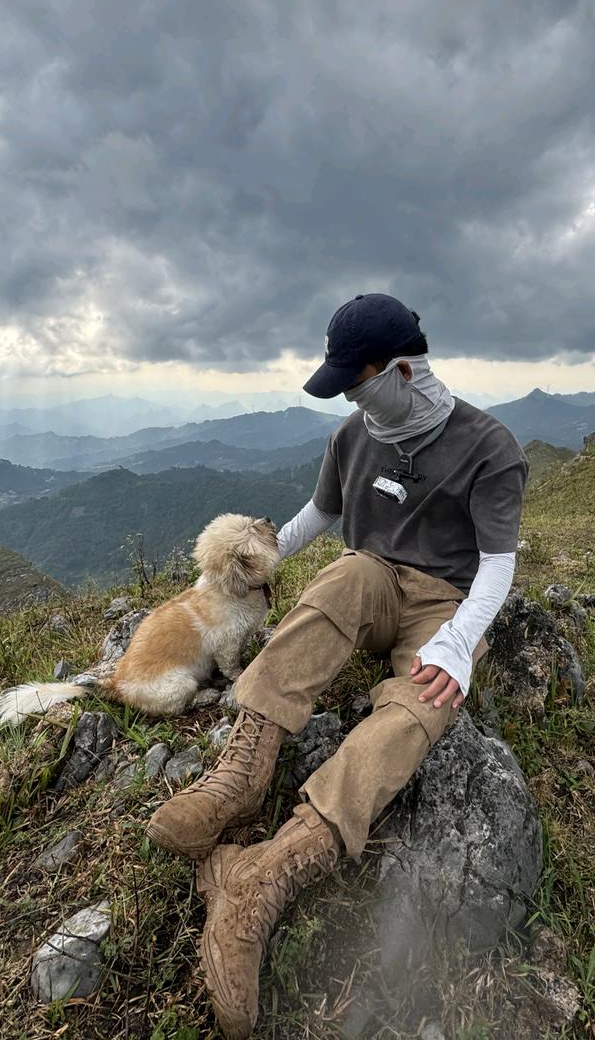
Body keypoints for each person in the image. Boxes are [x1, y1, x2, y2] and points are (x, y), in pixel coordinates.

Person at [146, 293, 528, 1038]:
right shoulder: (357, 436)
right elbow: (317, 518)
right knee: (340, 579)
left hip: (444, 601)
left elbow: (499, 564)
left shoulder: (490, 446)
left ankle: (265, 875)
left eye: (358, 382)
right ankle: (240, 776)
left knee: (421, 704)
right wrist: (242, 567)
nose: (351, 398)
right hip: (374, 576)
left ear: (402, 370)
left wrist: (459, 639)